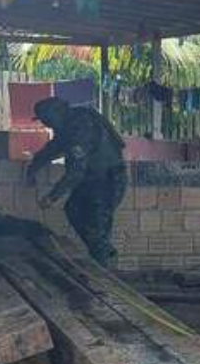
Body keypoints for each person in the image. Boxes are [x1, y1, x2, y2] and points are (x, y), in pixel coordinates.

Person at [26, 97, 128, 268]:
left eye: (46, 119)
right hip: (92, 180)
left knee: (97, 225)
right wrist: (33, 167)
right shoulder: (69, 124)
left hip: (108, 180)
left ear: (57, 114)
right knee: (73, 209)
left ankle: (106, 273)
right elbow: (53, 148)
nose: (45, 124)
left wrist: (52, 197)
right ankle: (101, 255)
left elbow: (75, 172)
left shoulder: (81, 127)